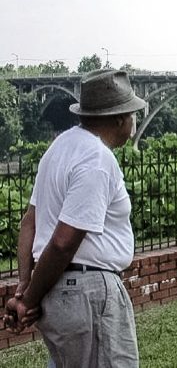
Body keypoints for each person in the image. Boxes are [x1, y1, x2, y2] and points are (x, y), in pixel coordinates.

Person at [3, 69, 146, 367]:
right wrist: (28, 300)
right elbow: (63, 242)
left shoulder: (59, 148)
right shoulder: (96, 159)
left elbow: (29, 222)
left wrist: (25, 288)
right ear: (120, 118)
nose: (133, 123)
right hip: (88, 293)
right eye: (132, 115)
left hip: (58, 292)